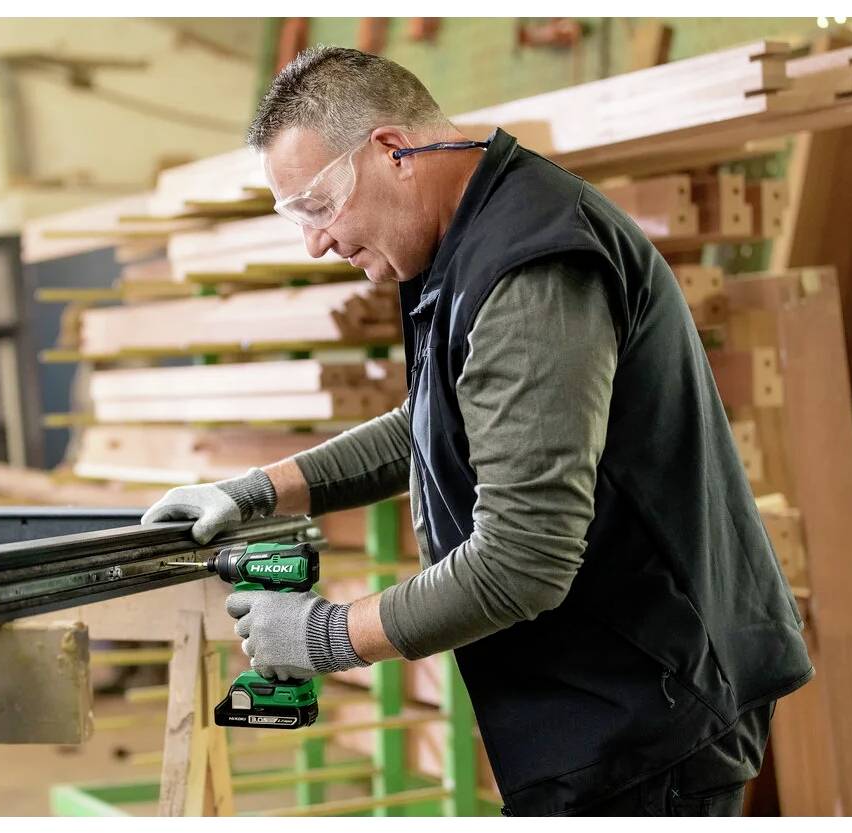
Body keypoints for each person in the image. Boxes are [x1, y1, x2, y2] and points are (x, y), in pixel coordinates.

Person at [142, 46, 812, 816]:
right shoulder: (468, 237)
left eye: (319, 205)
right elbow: (432, 422)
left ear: (392, 151)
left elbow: (523, 558)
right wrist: (260, 490)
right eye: (294, 217)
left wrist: (329, 634)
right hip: (607, 689)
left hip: (649, 710)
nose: (315, 243)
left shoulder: (531, 268)